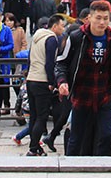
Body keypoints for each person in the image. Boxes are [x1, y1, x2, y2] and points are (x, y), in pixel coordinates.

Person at [55, 0, 111, 156]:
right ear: (89, 18)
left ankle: (103, 166)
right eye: (98, 18)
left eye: (105, 18)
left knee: (107, 135)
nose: (102, 22)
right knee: (76, 138)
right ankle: (71, 166)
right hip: (82, 95)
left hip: (104, 95)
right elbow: (61, 63)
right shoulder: (77, 37)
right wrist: (62, 82)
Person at [25, 14, 66, 156]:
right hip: (41, 80)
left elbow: (29, 58)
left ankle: (35, 145)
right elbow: (50, 63)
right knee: (42, 116)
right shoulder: (51, 39)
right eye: (62, 26)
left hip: (31, 78)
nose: (63, 29)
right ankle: (33, 147)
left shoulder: (37, 36)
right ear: (54, 26)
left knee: (34, 115)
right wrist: (51, 82)